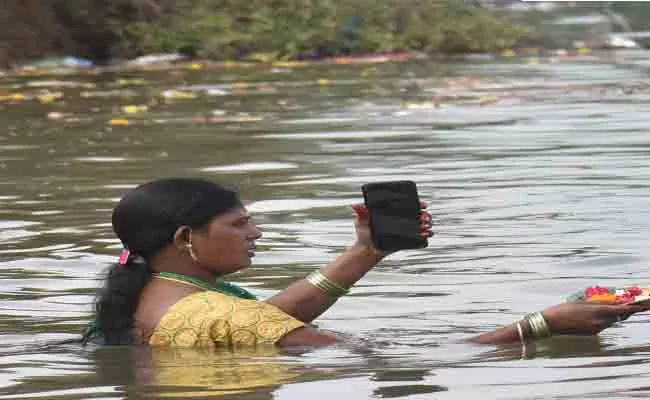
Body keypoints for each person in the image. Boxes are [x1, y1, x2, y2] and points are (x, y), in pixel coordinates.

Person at [82, 177, 650, 348]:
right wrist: (544, 325)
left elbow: (267, 320)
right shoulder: (212, 314)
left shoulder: (158, 293)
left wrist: (367, 251)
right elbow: (371, 355)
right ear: (186, 237)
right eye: (239, 223)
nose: (256, 232)